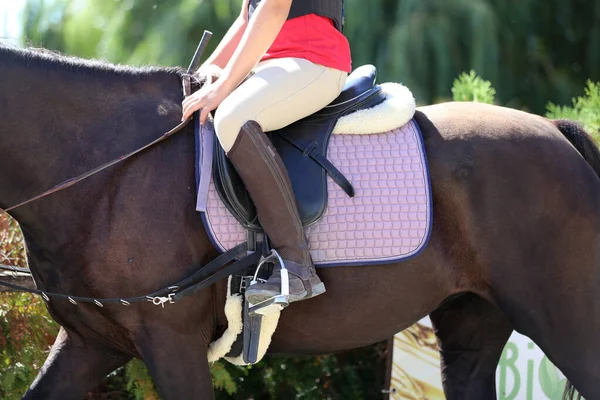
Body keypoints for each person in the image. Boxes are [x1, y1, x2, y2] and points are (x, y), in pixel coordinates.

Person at [181, 0, 351, 310]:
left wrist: (222, 88)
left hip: (314, 61)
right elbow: (248, 19)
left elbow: (274, 8)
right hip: (271, 68)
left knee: (233, 117)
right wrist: (202, 76)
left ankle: (296, 264)